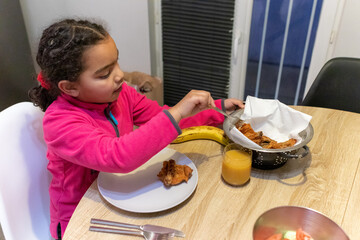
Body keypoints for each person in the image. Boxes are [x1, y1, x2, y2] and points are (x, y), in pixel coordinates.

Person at [28, 18, 244, 239]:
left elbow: (163, 120)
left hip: (120, 197)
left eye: (117, 63)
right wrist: (177, 112)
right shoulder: (60, 123)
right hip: (80, 218)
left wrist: (216, 109)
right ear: (70, 87)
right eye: (104, 74)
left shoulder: (122, 95)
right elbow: (117, 156)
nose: (120, 75)